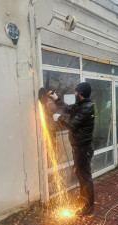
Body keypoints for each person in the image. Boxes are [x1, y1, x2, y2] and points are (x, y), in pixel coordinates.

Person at [49, 82, 95, 216]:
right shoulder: (81, 105)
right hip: (78, 147)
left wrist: (59, 119)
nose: (74, 94)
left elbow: (71, 126)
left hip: (83, 148)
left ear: (80, 95)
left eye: (76, 92)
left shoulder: (86, 108)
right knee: (79, 173)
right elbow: (67, 108)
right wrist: (56, 99)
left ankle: (89, 206)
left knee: (85, 176)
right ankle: (83, 198)